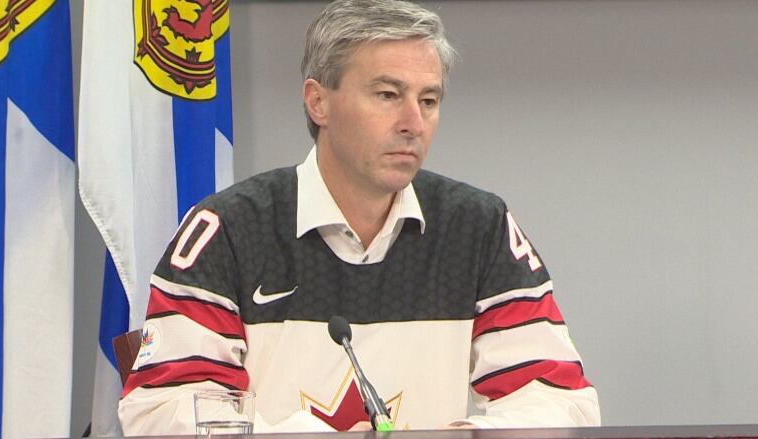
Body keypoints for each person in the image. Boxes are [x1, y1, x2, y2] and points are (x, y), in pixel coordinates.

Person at [118, 0, 601, 434]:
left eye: (428, 100)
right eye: (388, 95)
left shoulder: (478, 227)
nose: (413, 122)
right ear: (318, 101)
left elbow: (560, 399)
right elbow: (161, 410)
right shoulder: (230, 229)